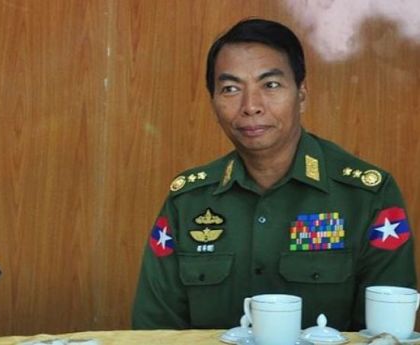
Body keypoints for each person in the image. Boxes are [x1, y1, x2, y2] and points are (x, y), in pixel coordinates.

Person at [132, 18, 416, 331]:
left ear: (302, 94)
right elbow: (154, 331)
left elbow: (388, 335)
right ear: (213, 102)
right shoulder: (187, 202)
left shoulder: (365, 196)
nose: (251, 106)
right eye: (230, 89)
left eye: (270, 85)